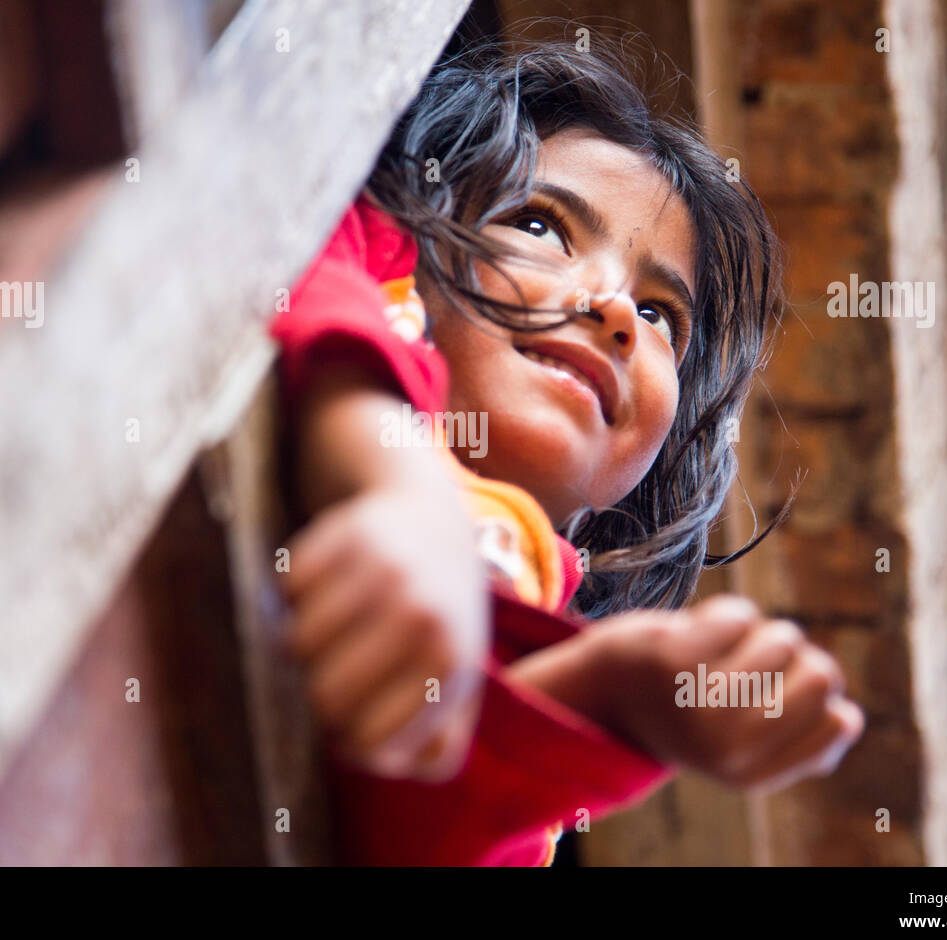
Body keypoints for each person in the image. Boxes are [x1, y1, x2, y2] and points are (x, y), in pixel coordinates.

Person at [269, 39, 864, 865]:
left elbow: (402, 812)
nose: (617, 308)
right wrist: (396, 483)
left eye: (662, 318)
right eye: (541, 225)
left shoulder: (543, 761)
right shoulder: (352, 260)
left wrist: (621, 695)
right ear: (414, 247)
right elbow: (320, 272)